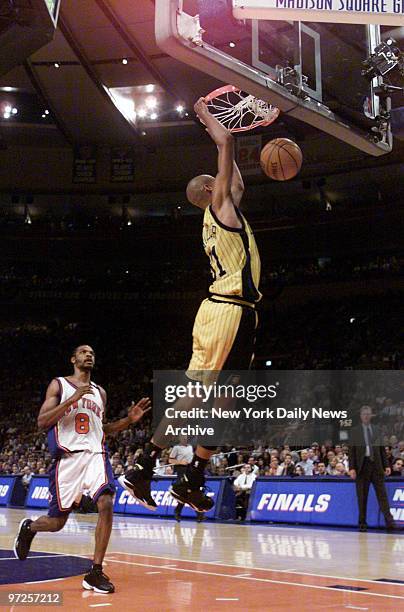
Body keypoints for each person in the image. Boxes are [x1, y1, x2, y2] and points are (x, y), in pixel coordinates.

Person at [119, 97, 261, 514]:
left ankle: (185, 476)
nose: (224, 186)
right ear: (206, 191)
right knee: (204, 396)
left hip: (224, 311)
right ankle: (147, 465)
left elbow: (236, 184)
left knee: (219, 400)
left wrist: (226, 144)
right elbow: (226, 148)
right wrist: (212, 122)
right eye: (214, 183)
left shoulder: (222, 215)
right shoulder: (219, 209)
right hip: (229, 312)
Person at [13, 345, 151, 594]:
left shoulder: (100, 392)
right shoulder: (59, 385)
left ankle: (95, 572)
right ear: (73, 359)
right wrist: (72, 400)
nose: (89, 355)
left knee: (106, 502)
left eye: (92, 353)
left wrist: (128, 421)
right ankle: (29, 528)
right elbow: (42, 422)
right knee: (56, 523)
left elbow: (101, 430)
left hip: (96, 455)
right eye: (84, 352)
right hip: (67, 459)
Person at [348, 405, 399, 532]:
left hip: (376, 466)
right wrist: (352, 467)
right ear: (361, 416)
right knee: (362, 497)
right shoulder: (355, 431)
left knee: (382, 496)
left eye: (368, 414)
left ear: (371, 415)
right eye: (364, 414)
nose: (366, 416)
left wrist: (386, 465)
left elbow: (381, 449)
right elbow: (351, 451)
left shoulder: (377, 429)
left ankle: (390, 522)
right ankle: (362, 523)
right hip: (362, 466)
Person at [169, 436, 205, 522]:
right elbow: (170, 460)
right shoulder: (176, 447)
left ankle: (199, 514)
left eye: (186, 438)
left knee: (194, 490)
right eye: (183, 438)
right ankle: (178, 511)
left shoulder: (190, 446)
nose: (185, 439)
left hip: (190, 469)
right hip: (181, 470)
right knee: (183, 492)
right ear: (180, 439)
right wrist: (180, 462)